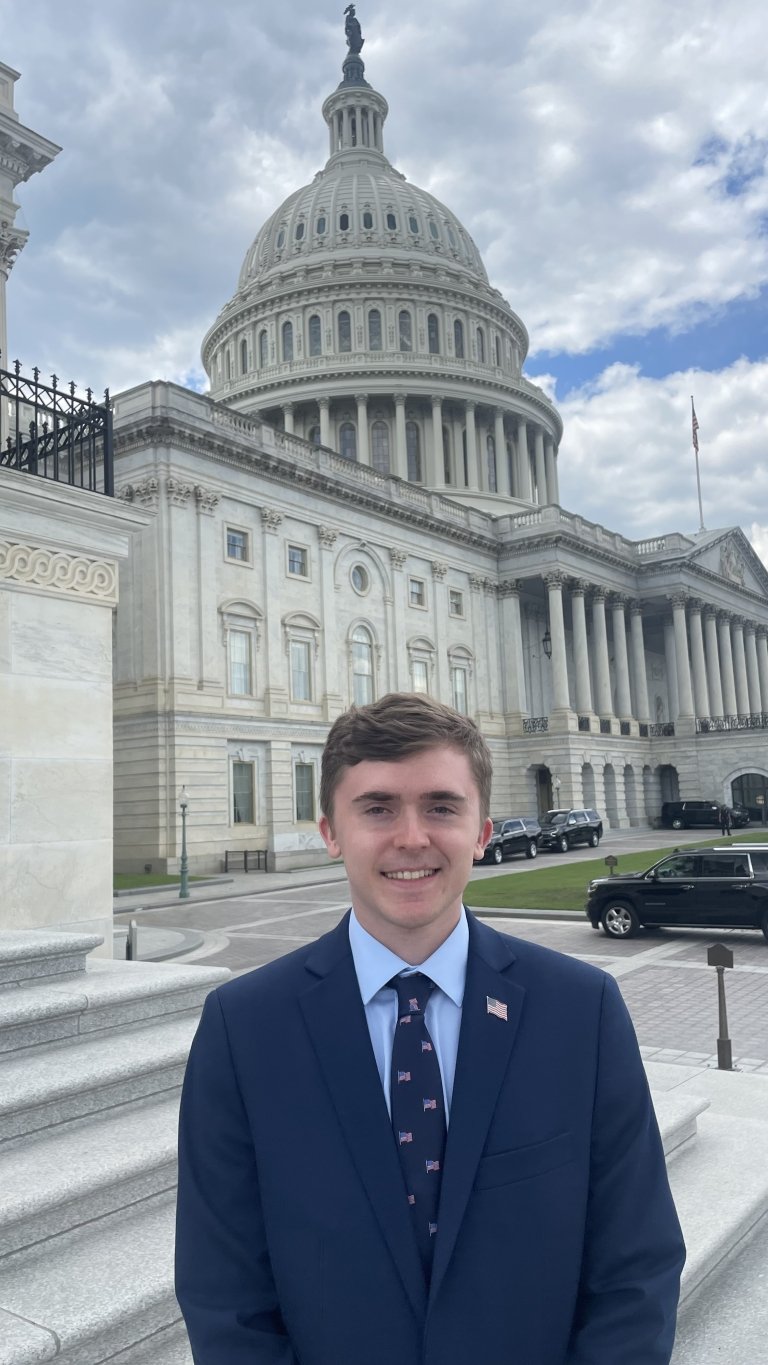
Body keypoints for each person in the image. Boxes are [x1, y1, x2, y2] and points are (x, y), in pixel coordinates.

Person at [175, 693, 685, 1365]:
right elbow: (225, 1292)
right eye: (378, 807)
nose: (411, 836)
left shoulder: (581, 1010)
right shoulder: (243, 1028)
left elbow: (636, 1267)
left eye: (442, 806)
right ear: (331, 830)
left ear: (482, 831)